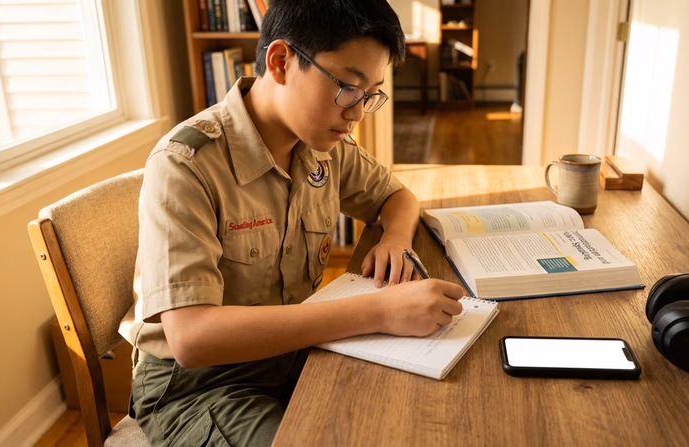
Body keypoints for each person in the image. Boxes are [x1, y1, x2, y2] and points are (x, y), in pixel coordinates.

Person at [118, 0, 464, 444]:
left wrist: (396, 238)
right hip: (202, 387)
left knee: (412, 414)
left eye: (370, 93)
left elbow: (396, 196)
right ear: (280, 62)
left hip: (293, 352)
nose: (357, 112)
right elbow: (191, 338)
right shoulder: (186, 165)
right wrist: (378, 310)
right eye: (348, 87)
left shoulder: (321, 145)